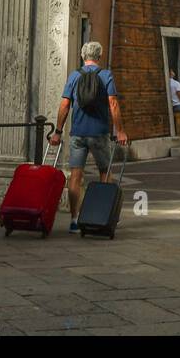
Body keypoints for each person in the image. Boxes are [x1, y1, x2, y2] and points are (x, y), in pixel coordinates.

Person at [50, 40, 128, 232]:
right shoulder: (105, 75)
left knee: (76, 175)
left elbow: (64, 105)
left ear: (83, 56)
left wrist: (58, 132)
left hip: (78, 133)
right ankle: (101, 217)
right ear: (99, 56)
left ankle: (75, 220)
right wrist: (120, 130)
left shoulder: (74, 76)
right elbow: (113, 104)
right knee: (105, 173)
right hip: (99, 133)